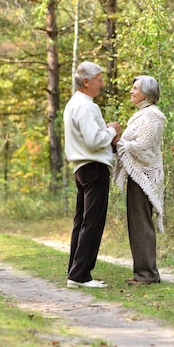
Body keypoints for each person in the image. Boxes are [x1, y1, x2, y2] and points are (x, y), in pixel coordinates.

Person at [63, 61, 121, 289]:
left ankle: (74, 270)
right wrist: (112, 130)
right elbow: (94, 140)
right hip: (94, 168)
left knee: (82, 222)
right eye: (98, 79)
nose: (101, 84)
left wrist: (103, 131)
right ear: (86, 81)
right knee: (92, 222)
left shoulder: (73, 104)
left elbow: (90, 136)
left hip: (81, 168)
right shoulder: (86, 106)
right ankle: (80, 275)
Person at [114, 75, 165, 285]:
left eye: (136, 88)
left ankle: (147, 275)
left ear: (146, 92)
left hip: (144, 177)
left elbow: (142, 146)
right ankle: (144, 272)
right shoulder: (142, 114)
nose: (131, 91)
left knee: (141, 225)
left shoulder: (153, 116)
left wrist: (118, 142)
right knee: (136, 225)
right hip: (137, 175)